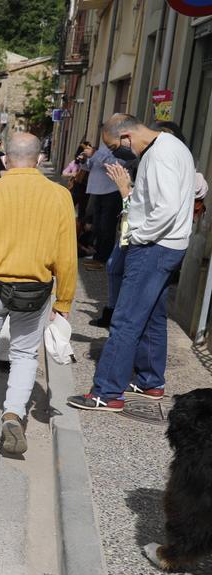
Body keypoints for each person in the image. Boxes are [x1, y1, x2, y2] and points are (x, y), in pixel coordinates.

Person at [0, 132, 76, 456]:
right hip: (35, 291)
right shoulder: (60, 196)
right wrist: (63, 301)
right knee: (24, 356)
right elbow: (67, 255)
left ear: (5, 159)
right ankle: (11, 415)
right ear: (41, 159)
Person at [69, 114, 195, 413]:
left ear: (126, 136)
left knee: (125, 319)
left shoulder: (161, 155)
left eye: (114, 147)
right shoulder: (170, 148)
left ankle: (107, 392)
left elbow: (165, 209)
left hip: (153, 247)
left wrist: (138, 235)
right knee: (151, 315)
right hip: (166, 246)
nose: (116, 154)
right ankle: (151, 381)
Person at [83, 135, 127, 280]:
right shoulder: (103, 146)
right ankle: (98, 255)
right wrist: (86, 160)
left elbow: (118, 164)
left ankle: (103, 258)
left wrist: (95, 155)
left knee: (106, 226)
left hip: (111, 190)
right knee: (98, 225)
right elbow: (91, 166)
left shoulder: (123, 147)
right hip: (98, 190)